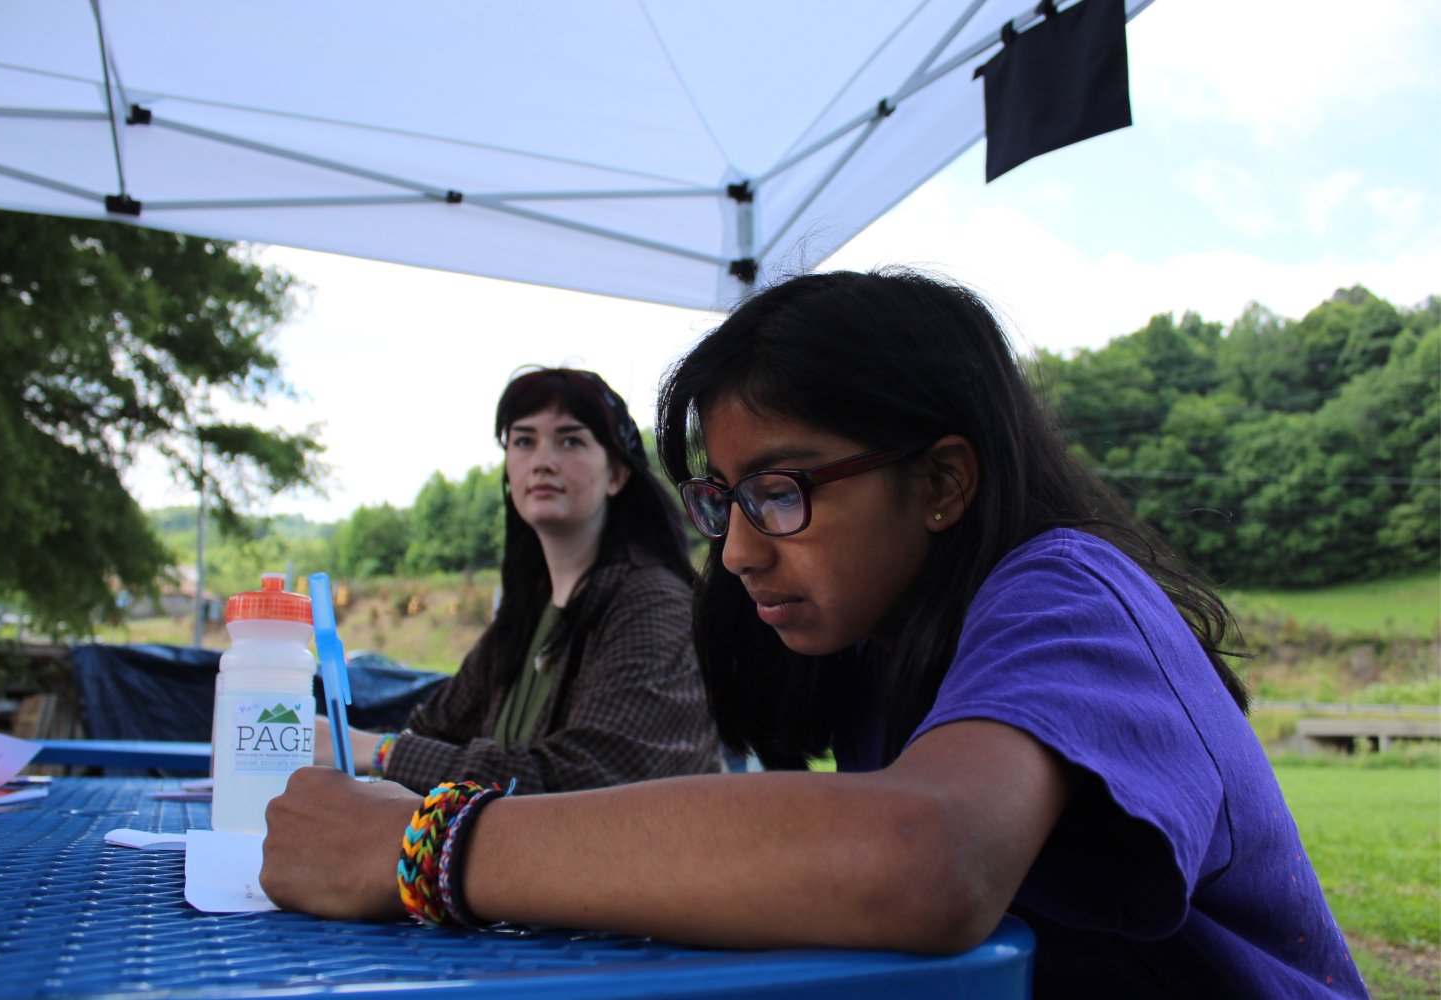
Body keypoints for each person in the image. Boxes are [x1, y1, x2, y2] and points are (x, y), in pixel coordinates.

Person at [265, 272, 1366, 1000]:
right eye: (723, 500)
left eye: (781, 491)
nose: (737, 553)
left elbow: (923, 856)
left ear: (939, 480)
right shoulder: (873, 649)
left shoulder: (1068, 595)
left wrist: (425, 846)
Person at [313, 367, 720, 793]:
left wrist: (380, 752)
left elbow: (580, 784)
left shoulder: (655, 606)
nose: (543, 462)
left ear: (617, 474)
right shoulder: (526, 611)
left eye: (571, 441)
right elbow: (434, 730)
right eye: (524, 441)